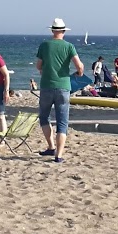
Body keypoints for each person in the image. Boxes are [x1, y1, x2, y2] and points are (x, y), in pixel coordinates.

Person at [36, 18, 84, 163]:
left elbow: (38, 66)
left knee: (44, 117)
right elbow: (79, 67)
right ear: (63, 31)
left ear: (52, 30)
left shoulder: (44, 45)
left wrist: (44, 70)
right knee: (62, 121)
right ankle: (59, 155)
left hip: (46, 85)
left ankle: (51, 146)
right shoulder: (69, 46)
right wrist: (80, 73)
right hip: (63, 86)